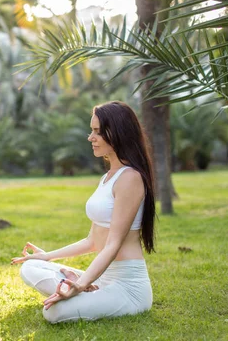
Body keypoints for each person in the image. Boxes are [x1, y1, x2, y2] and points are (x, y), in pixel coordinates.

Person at [11, 101, 156, 324]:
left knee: (53, 313)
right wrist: (48, 256)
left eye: (98, 131)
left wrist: (78, 285)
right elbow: (92, 241)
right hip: (102, 276)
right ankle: (85, 287)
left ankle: (81, 287)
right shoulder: (108, 177)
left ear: (118, 132)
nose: (90, 137)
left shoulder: (130, 178)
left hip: (127, 287)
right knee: (30, 267)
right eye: (91, 130)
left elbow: (113, 244)